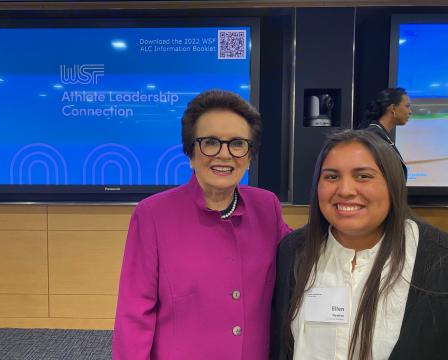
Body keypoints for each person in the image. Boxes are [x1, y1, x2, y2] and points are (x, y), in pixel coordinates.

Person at [112, 90, 292, 360]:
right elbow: (134, 313)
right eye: (210, 142)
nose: (224, 154)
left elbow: (303, 257)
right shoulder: (153, 214)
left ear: (249, 155)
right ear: (191, 152)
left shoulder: (266, 207)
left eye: (238, 143)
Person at [271, 129, 448, 360]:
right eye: (332, 177)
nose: (345, 190)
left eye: (363, 176)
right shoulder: (293, 251)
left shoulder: (439, 258)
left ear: (392, 183)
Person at [358, 87, 412, 179]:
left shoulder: (380, 134)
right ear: (393, 108)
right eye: (407, 106)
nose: (410, 112)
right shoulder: (373, 136)